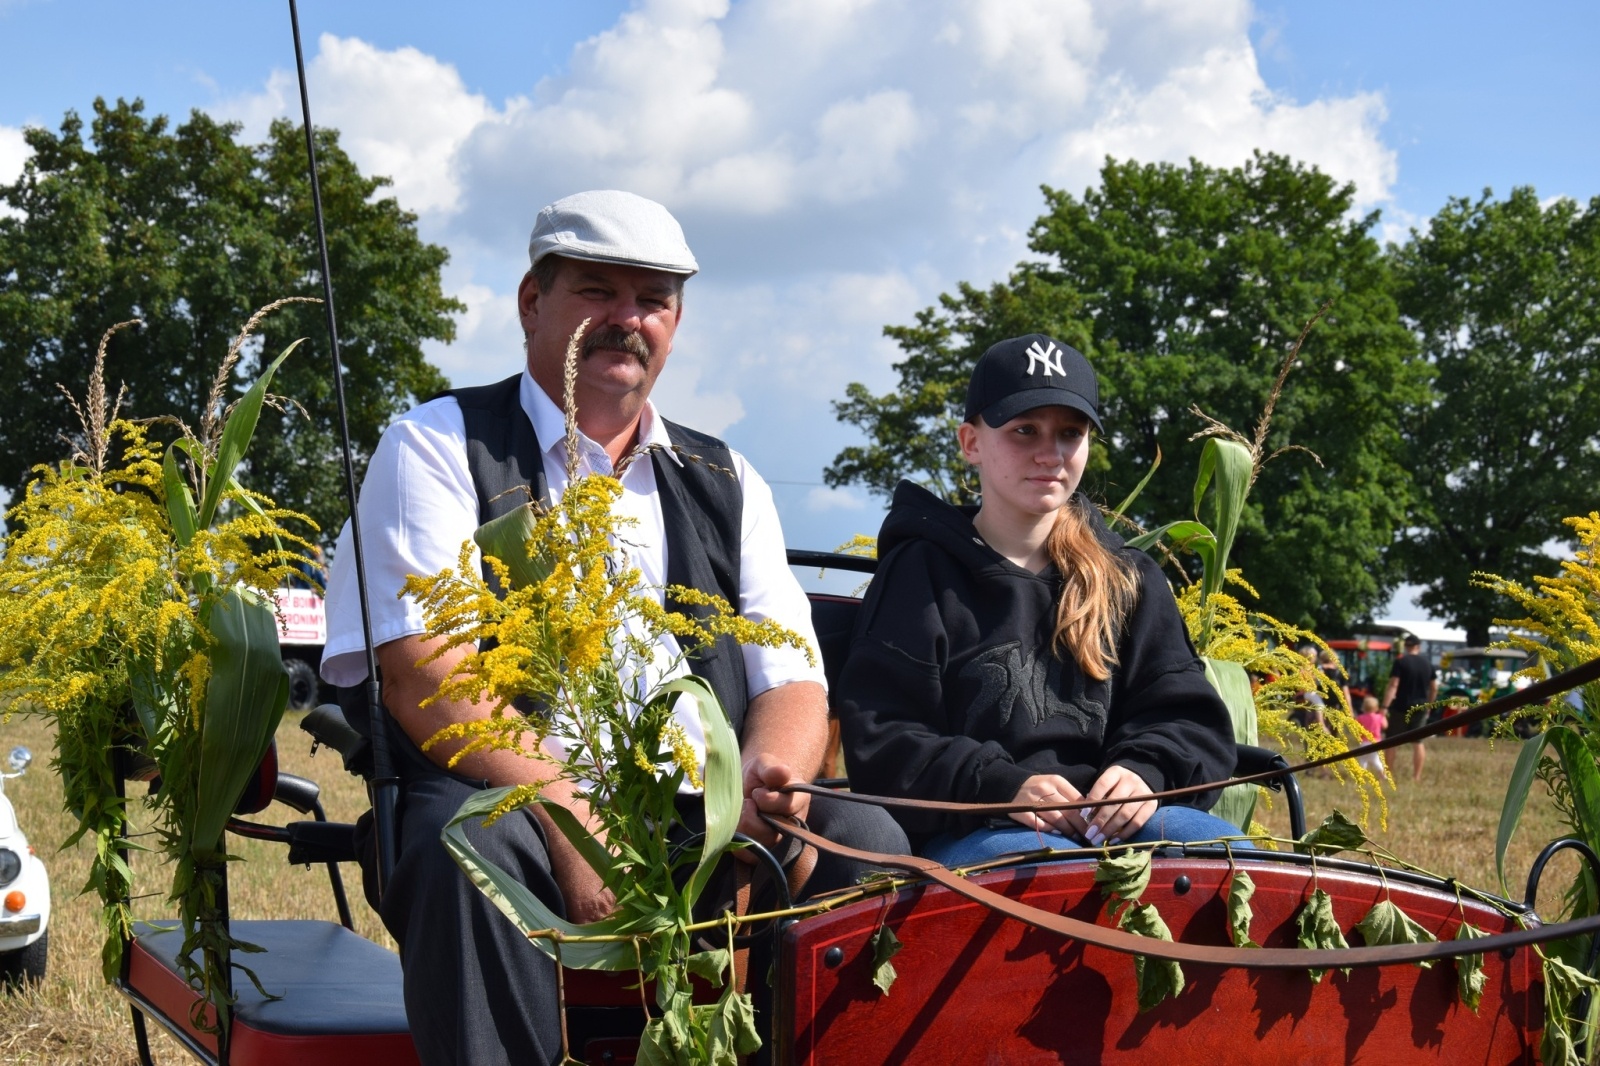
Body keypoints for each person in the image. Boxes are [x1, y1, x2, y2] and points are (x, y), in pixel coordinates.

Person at [320, 190, 905, 1066]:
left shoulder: (726, 476)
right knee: (466, 854)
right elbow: (427, 676)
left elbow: (791, 676)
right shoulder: (437, 445)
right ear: (533, 302)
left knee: (870, 843)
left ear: (676, 323)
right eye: (597, 292)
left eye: (653, 300)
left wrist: (761, 786)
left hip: (697, 812)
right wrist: (570, 815)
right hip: (514, 804)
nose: (627, 320)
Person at [836, 334, 1240, 865]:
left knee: (1227, 859)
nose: (1050, 455)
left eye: (1070, 433)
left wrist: (1145, 771)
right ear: (971, 442)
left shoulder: (1128, 578)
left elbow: (1190, 719)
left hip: (1120, 823)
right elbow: (883, 738)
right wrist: (1002, 786)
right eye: (1024, 430)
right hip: (978, 826)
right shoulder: (920, 574)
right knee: (1052, 878)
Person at [1382, 634, 1438, 782]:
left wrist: (1384, 706)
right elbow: (1434, 688)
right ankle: (1416, 776)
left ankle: (1389, 775)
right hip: (1421, 706)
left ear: (1406, 647)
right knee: (1418, 742)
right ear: (1418, 647)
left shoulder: (1401, 662)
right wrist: (1429, 705)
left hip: (1401, 706)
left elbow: (1394, 685)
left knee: (1391, 741)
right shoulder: (1428, 664)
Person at [1354, 695, 1388, 775]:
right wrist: (1383, 716)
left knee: (1363, 760)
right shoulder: (1379, 717)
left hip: (1364, 742)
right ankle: (1382, 775)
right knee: (1376, 760)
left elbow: (1356, 728)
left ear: (1363, 707)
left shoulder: (1360, 717)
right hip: (1376, 742)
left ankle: (1361, 775)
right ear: (1376, 708)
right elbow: (1385, 726)